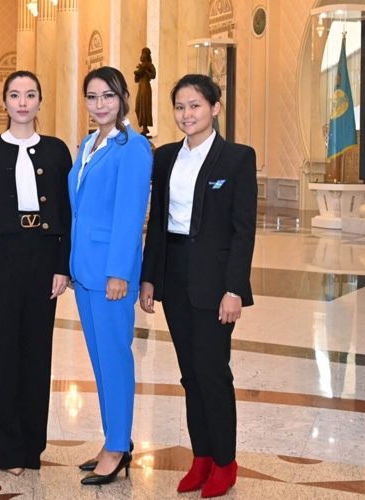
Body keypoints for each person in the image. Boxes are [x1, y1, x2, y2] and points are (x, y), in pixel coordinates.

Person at [139, 74, 257, 498]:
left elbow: (244, 231)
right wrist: (149, 276)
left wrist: (235, 289)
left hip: (215, 283)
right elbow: (157, 223)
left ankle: (225, 461)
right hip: (174, 273)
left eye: (195, 106)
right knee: (190, 374)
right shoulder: (166, 157)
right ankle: (201, 457)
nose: (187, 114)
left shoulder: (237, 158)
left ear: (215, 109)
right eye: (180, 107)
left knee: (212, 372)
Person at [0, 71, 72, 475]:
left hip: (44, 256)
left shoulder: (57, 151)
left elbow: (68, 212)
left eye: (31, 94)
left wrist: (62, 265)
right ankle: (7, 450)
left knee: (36, 353)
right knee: (0, 354)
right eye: (15, 95)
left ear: (40, 101)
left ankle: (33, 447)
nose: (23, 102)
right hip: (0, 257)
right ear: (5, 101)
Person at [68, 66, 152, 486]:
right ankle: (112, 438)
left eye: (108, 96)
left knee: (116, 361)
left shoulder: (132, 147)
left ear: (122, 99)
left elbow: (130, 213)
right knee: (100, 363)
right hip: (85, 272)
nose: (99, 104)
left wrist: (120, 272)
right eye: (92, 96)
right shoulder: (88, 143)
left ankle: (119, 446)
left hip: (110, 275)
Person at [133, 47, 156, 136]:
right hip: (140, 87)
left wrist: (145, 71)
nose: (142, 56)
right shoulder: (141, 66)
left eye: (143, 54)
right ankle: (143, 126)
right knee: (138, 107)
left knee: (145, 107)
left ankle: (145, 128)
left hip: (146, 87)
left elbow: (153, 75)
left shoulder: (150, 65)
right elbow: (136, 80)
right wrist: (138, 73)